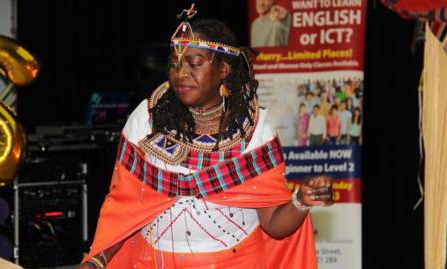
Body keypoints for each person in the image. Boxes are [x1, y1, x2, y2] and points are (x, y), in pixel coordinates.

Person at [76, 13, 333, 269]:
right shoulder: (145, 119)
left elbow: (274, 225)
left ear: (224, 69)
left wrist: (300, 201)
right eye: (174, 64)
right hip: (153, 262)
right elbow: (124, 210)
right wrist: (97, 261)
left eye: (194, 63)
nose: (180, 74)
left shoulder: (255, 130)